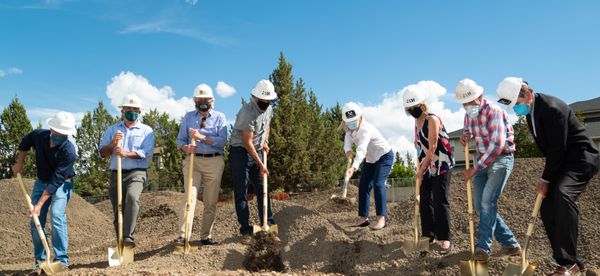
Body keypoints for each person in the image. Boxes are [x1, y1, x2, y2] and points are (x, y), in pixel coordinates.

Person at [497, 77, 600, 275]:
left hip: (582, 158)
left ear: (527, 95)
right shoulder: (531, 114)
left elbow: (557, 149)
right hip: (563, 162)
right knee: (545, 203)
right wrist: (548, 179)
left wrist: (545, 178)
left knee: (562, 194)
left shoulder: (552, 108)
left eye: (517, 104)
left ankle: (569, 263)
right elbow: (552, 151)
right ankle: (568, 261)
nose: (516, 110)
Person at [455, 78, 521, 261]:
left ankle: (482, 248)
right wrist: (465, 137)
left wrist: (474, 169)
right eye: (464, 103)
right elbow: (469, 131)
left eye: (470, 101)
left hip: (501, 159)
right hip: (482, 161)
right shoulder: (469, 114)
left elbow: (497, 144)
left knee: (487, 203)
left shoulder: (494, 111)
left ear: (480, 96)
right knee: (480, 205)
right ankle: (511, 244)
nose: (468, 106)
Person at [12, 111, 77, 275]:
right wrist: (19, 163)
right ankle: (40, 262)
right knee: (35, 220)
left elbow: (56, 181)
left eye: (63, 135)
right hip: (41, 182)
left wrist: (40, 204)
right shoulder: (39, 135)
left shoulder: (69, 151)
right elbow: (25, 143)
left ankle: (61, 260)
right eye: (56, 133)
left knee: (56, 214)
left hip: (62, 183)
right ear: (51, 129)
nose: (59, 137)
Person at [174, 83, 227, 246]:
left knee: (210, 201)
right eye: (200, 98)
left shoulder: (220, 117)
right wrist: (185, 147)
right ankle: (184, 236)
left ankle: (206, 236)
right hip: (193, 161)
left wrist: (202, 137)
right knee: (189, 197)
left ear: (212, 100)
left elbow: (223, 141)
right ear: (195, 100)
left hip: (214, 161)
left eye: (206, 99)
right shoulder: (189, 117)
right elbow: (179, 140)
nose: (203, 101)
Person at [402, 88, 454, 254]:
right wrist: (420, 169)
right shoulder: (415, 123)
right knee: (424, 200)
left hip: (441, 164)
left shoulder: (432, 119)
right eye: (409, 109)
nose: (412, 111)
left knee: (440, 200)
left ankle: (444, 238)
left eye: (414, 107)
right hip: (425, 165)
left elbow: (432, 147)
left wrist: (422, 169)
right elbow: (419, 149)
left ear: (422, 104)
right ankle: (428, 234)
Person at [99, 94, 155, 248]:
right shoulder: (112, 130)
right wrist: (112, 144)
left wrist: (125, 153)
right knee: (118, 208)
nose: (131, 111)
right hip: (116, 173)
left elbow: (147, 152)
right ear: (122, 111)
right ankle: (120, 242)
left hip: (137, 172)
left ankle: (128, 236)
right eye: (128, 109)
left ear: (140, 112)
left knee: (131, 197)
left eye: (135, 109)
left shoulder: (146, 130)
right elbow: (102, 153)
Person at [230, 79, 277, 244]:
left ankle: (268, 224)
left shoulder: (269, 108)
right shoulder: (247, 112)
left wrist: (265, 141)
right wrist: (261, 164)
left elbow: (267, 126)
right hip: (240, 152)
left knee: (263, 189)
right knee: (241, 192)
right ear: (256, 97)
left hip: (257, 150)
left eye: (268, 101)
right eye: (263, 101)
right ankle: (245, 229)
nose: (266, 103)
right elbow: (247, 143)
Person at [342, 102, 393, 230]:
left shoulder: (366, 129)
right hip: (370, 160)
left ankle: (381, 218)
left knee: (378, 184)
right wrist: (348, 152)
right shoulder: (349, 132)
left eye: (354, 120)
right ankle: (363, 218)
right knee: (363, 185)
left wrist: (353, 167)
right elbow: (347, 145)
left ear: (360, 117)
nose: (352, 123)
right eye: (349, 122)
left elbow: (361, 150)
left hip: (384, 156)